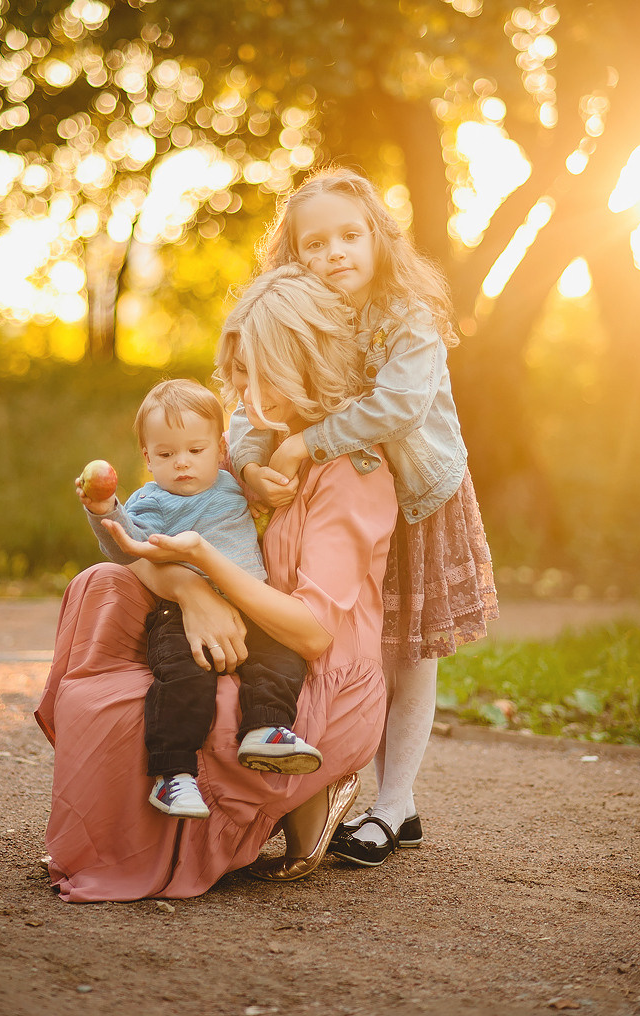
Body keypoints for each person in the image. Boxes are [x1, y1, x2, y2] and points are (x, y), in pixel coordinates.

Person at [35, 265, 398, 900]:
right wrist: (192, 591)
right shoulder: (236, 454)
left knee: (199, 708)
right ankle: (156, 806)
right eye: (233, 374)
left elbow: (313, 634)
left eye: (253, 376)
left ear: (304, 368)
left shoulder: (354, 473)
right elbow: (138, 550)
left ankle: (307, 782)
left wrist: (208, 563)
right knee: (102, 588)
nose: (236, 391)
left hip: (307, 662)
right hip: (234, 625)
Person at [229, 167, 499, 867]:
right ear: (292, 255)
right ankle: (323, 781)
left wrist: (303, 443)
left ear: (378, 238)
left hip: (414, 499)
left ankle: (394, 801)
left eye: (349, 235)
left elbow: (397, 407)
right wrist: (247, 460)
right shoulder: (298, 309)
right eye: (314, 244)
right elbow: (250, 396)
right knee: (347, 643)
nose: (334, 254)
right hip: (336, 502)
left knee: (405, 650)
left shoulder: (408, 314)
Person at [76, 377, 322, 823]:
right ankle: (173, 774)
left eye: (195, 450)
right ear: (148, 458)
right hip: (182, 614)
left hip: (252, 606)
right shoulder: (151, 500)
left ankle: (264, 728)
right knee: (185, 679)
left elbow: (262, 482)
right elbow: (123, 544)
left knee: (281, 657)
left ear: (220, 449)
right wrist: (103, 508)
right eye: (166, 454)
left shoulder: (233, 484)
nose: (182, 464)